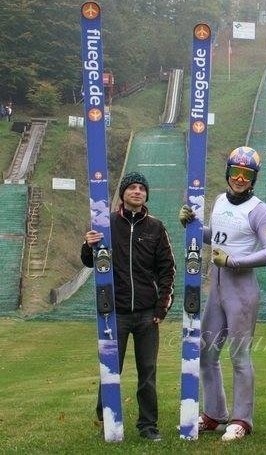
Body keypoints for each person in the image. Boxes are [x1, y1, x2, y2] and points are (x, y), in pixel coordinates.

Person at [179, 146, 266, 442]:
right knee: (206, 354)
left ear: (254, 179)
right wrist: (193, 224)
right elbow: (217, 236)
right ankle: (214, 413)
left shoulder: (259, 210)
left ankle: (241, 419)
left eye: (246, 175)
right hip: (217, 285)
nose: (239, 179)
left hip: (242, 289)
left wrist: (233, 261)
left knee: (239, 355)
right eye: (235, 172)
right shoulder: (221, 200)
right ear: (227, 172)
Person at [80, 171, 175, 442]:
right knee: (111, 368)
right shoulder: (106, 224)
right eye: (131, 187)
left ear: (146, 195)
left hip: (147, 314)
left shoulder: (156, 227)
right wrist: (88, 246)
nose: (137, 192)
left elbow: (168, 269)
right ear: (122, 194)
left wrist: (161, 308)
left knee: (148, 372)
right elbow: (90, 261)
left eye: (141, 188)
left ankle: (148, 426)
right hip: (116, 313)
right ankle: (106, 416)